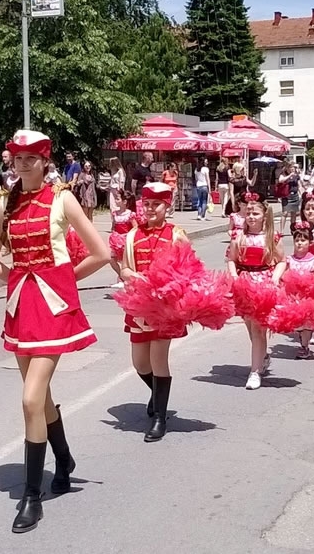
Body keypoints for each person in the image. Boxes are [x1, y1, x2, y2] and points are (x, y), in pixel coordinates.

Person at [0, 130, 110, 533]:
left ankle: (31, 497)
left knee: (30, 399)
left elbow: (101, 253)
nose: (22, 163)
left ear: (45, 160)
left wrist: (59, 281)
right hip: (22, 306)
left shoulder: (62, 198)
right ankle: (65, 458)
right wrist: (18, 278)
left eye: (31, 157)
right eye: (17, 157)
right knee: (42, 399)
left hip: (52, 308)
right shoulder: (5, 203)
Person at [116, 182, 191, 442]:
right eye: (146, 204)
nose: (150, 209)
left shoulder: (176, 234)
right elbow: (124, 268)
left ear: (167, 207)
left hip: (165, 308)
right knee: (139, 362)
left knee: (159, 360)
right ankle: (158, 394)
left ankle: (159, 417)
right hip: (139, 306)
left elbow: (188, 268)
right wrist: (133, 275)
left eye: (156, 204)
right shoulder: (132, 236)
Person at [226, 194, 284, 390]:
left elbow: (282, 260)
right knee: (251, 328)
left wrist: (275, 277)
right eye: (248, 213)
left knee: (259, 328)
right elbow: (232, 259)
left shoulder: (271, 238)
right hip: (244, 284)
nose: (251, 216)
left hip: (264, 285)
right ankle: (262, 356)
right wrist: (234, 277)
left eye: (255, 213)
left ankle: (255, 371)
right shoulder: (238, 237)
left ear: (264, 216)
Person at [284, 222, 314, 359]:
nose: (299, 243)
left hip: (309, 298)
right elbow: (284, 276)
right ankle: (302, 342)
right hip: (294, 297)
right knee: (298, 324)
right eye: (297, 240)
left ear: (310, 242)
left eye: (303, 240)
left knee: (308, 324)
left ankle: (304, 346)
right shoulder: (289, 260)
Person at [277, 161, 300, 228]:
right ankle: (281, 231)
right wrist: (290, 175)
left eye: (293, 167)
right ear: (287, 168)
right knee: (285, 213)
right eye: (291, 167)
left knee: (294, 213)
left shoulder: (296, 175)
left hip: (295, 196)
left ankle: (293, 229)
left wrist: (301, 193)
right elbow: (280, 180)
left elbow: (298, 185)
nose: (292, 169)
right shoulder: (283, 174)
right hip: (286, 196)